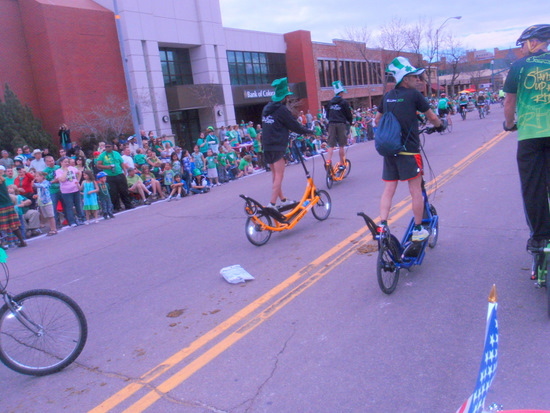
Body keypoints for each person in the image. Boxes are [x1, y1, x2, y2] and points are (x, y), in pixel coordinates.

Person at [375, 57, 444, 242]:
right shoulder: (414, 96)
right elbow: (431, 116)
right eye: (414, 77)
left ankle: (382, 225)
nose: (418, 80)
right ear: (405, 79)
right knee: (416, 191)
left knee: (389, 189)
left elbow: (377, 120)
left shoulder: (387, 96)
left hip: (390, 151)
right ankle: (419, 229)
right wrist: (439, 125)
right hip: (409, 152)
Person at [503, 24, 550, 251]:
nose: (521, 49)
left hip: (531, 134)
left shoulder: (519, 67)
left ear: (533, 42)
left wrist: (509, 125)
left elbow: (509, 103)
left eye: (522, 44)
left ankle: (541, 238)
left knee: (533, 187)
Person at [261, 77, 312, 209]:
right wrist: (308, 131)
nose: (288, 98)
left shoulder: (266, 108)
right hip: (277, 145)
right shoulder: (282, 110)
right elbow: (294, 125)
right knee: (279, 175)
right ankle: (272, 204)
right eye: (287, 96)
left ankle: (282, 200)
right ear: (284, 97)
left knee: (274, 175)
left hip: (266, 145)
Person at [96, 142, 133, 212]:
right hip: (109, 176)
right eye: (106, 147)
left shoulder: (116, 153)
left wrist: (124, 170)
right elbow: (98, 165)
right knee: (113, 192)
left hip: (119, 174)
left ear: (112, 147)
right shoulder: (102, 155)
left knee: (124, 190)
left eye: (109, 146)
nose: (107, 148)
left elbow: (121, 162)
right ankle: (116, 207)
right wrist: (107, 167)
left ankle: (128, 204)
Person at [325, 80, 353, 171]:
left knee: (331, 145)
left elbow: (327, 115)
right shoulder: (344, 102)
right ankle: (341, 163)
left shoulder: (330, 102)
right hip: (341, 123)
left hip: (332, 123)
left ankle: (328, 162)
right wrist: (350, 122)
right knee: (341, 145)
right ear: (340, 92)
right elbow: (348, 114)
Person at [55, 156, 84, 227]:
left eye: (67, 162)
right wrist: (65, 171)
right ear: (61, 162)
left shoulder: (72, 168)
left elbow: (79, 172)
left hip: (75, 189)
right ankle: (72, 221)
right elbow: (62, 179)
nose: (67, 163)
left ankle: (81, 218)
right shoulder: (58, 171)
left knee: (78, 204)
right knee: (69, 206)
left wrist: (78, 180)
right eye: (65, 162)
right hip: (66, 191)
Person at [0, 178, 27, 247]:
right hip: (8, 204)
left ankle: (1, 246)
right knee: (13, 225)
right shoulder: (2, 180)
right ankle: (22, 241)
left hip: (1, 205)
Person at [32, 171, 57, 236]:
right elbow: (40, 192)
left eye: (37, 176)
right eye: (35, 176)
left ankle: (53, 229)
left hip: (47, 201)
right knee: (47, 216)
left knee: (51, 216)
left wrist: (34, 184)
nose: (36, 178)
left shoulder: (46, 182)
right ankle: (51, 228)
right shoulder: (39, 184)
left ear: (42, 176)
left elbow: (43, 186)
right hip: (41, 202)